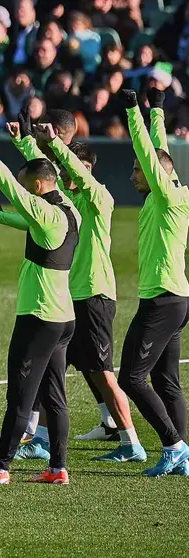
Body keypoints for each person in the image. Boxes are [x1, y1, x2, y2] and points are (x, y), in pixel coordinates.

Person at [0, 110, 78, 485]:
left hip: (39, 316)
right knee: (54, 396)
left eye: (29, 189)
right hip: (62, 317)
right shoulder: (67, 210)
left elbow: (8, 183)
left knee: (21, 395)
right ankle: (58, 468)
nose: (23, 194)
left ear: (39, 188)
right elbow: (30, 219)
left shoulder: (43, 210)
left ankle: (0, 468)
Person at [119, 88, 189, 478]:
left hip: (163, 299)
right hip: (175, 297)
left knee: (131, 376)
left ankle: (174, 444)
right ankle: (182, 454)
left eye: (135, 172)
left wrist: (133, 111)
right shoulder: (171, 190)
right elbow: (159, 152)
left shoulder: (164, 197)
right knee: (165, 380)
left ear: (155, 177)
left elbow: (151, 155)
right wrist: (158, 110)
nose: (132, 176)